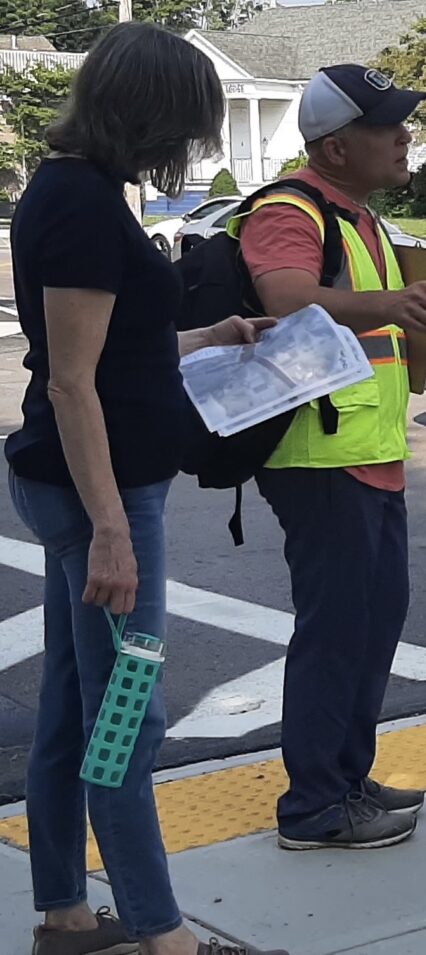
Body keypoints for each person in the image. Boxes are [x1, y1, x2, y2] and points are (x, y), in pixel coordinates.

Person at [6, 23, 289, 955]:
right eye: (188, 126)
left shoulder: (75, 191)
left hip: (91, 487)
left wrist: (210, 338)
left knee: (73, 708)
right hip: (107, 496)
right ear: (152, 114)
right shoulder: (84, 205)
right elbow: (70, 382)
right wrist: (112, 533)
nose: (191, 149)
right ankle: (162, 935)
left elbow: (106, 353)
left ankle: (65, 911)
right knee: (129, 711)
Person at [235, 65, 426, 850]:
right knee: (335, 631)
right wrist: (393, 304)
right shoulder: (288, 208)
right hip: (318, 457)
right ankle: (312, 806)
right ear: (335, 148)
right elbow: (286, 296)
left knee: (373, 623)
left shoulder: (361, 219)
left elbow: (372, 326)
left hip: (370, 452)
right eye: (387, 126)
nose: (406, 137)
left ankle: (345, 778)